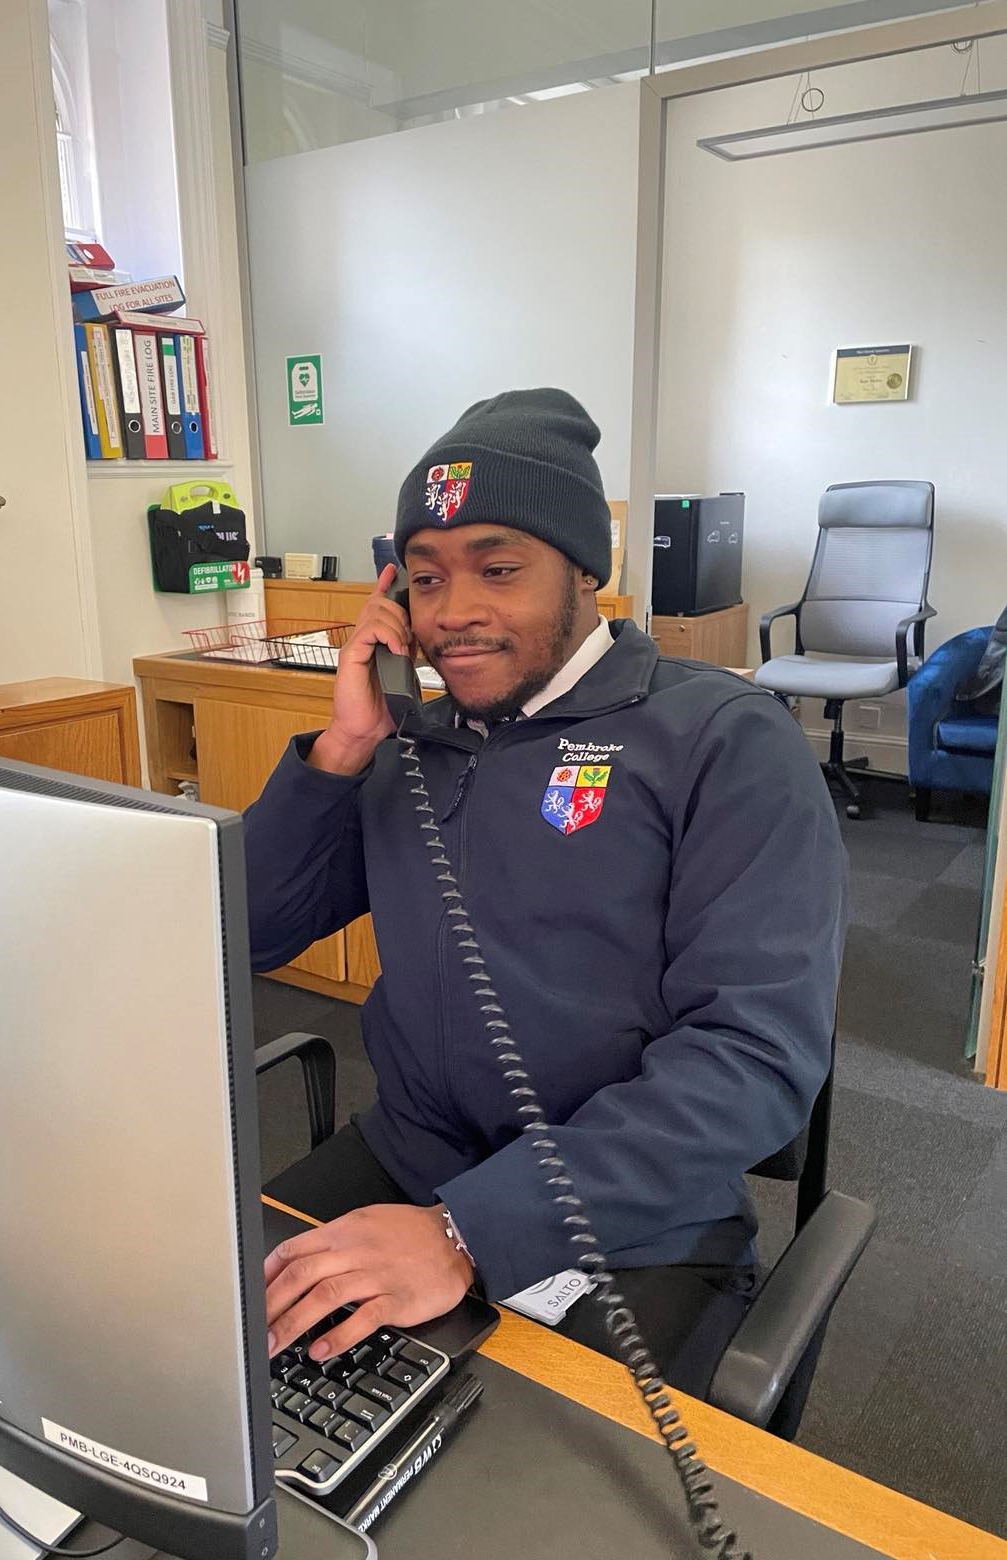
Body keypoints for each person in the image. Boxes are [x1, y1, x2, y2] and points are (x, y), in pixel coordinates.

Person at [246, 388, 847, 1396]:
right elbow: (256, 930)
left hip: (635, 1222)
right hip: (410, 1165)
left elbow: (755, 1054)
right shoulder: (412, 742)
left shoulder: (722, 741)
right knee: (217, 1383)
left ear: (583, 573)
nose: (455, 612)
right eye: (425, 578)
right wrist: (345, 746)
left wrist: (469, 1231)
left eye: (499, 568)